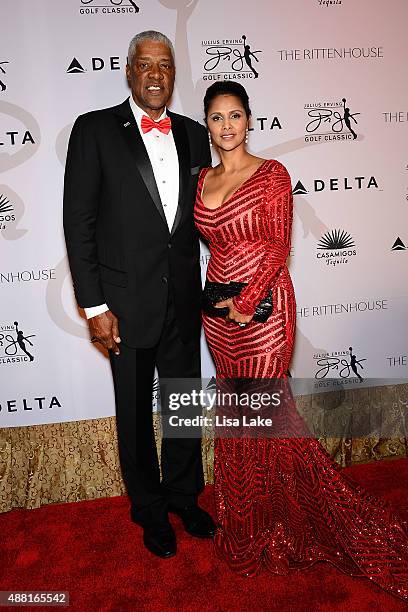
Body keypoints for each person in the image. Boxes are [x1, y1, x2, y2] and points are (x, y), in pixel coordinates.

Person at [194, 80, 408, 600]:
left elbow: (277, 246)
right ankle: (249, 521)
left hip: (263, 311)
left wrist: (249, 304)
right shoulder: (201, 178)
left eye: (236, 115)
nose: (228, 125)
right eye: (218, 117)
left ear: (250, 120)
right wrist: (225, 308)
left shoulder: (272, 175)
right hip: (219, 318)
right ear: (208, 124)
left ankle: (292, 521)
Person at [63, 30, 215, 560]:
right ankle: (149, 510)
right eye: (145, 64)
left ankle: (183, 497)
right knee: (132, 411)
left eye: (165, 66)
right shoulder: (95, 130)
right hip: (124, 306)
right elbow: (78, 222)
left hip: (184, 300)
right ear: (129, 71)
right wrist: (95, 305)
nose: (155, 75)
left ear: (174, 75)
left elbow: (209, 216)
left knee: (182, 403)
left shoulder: (196, 135)